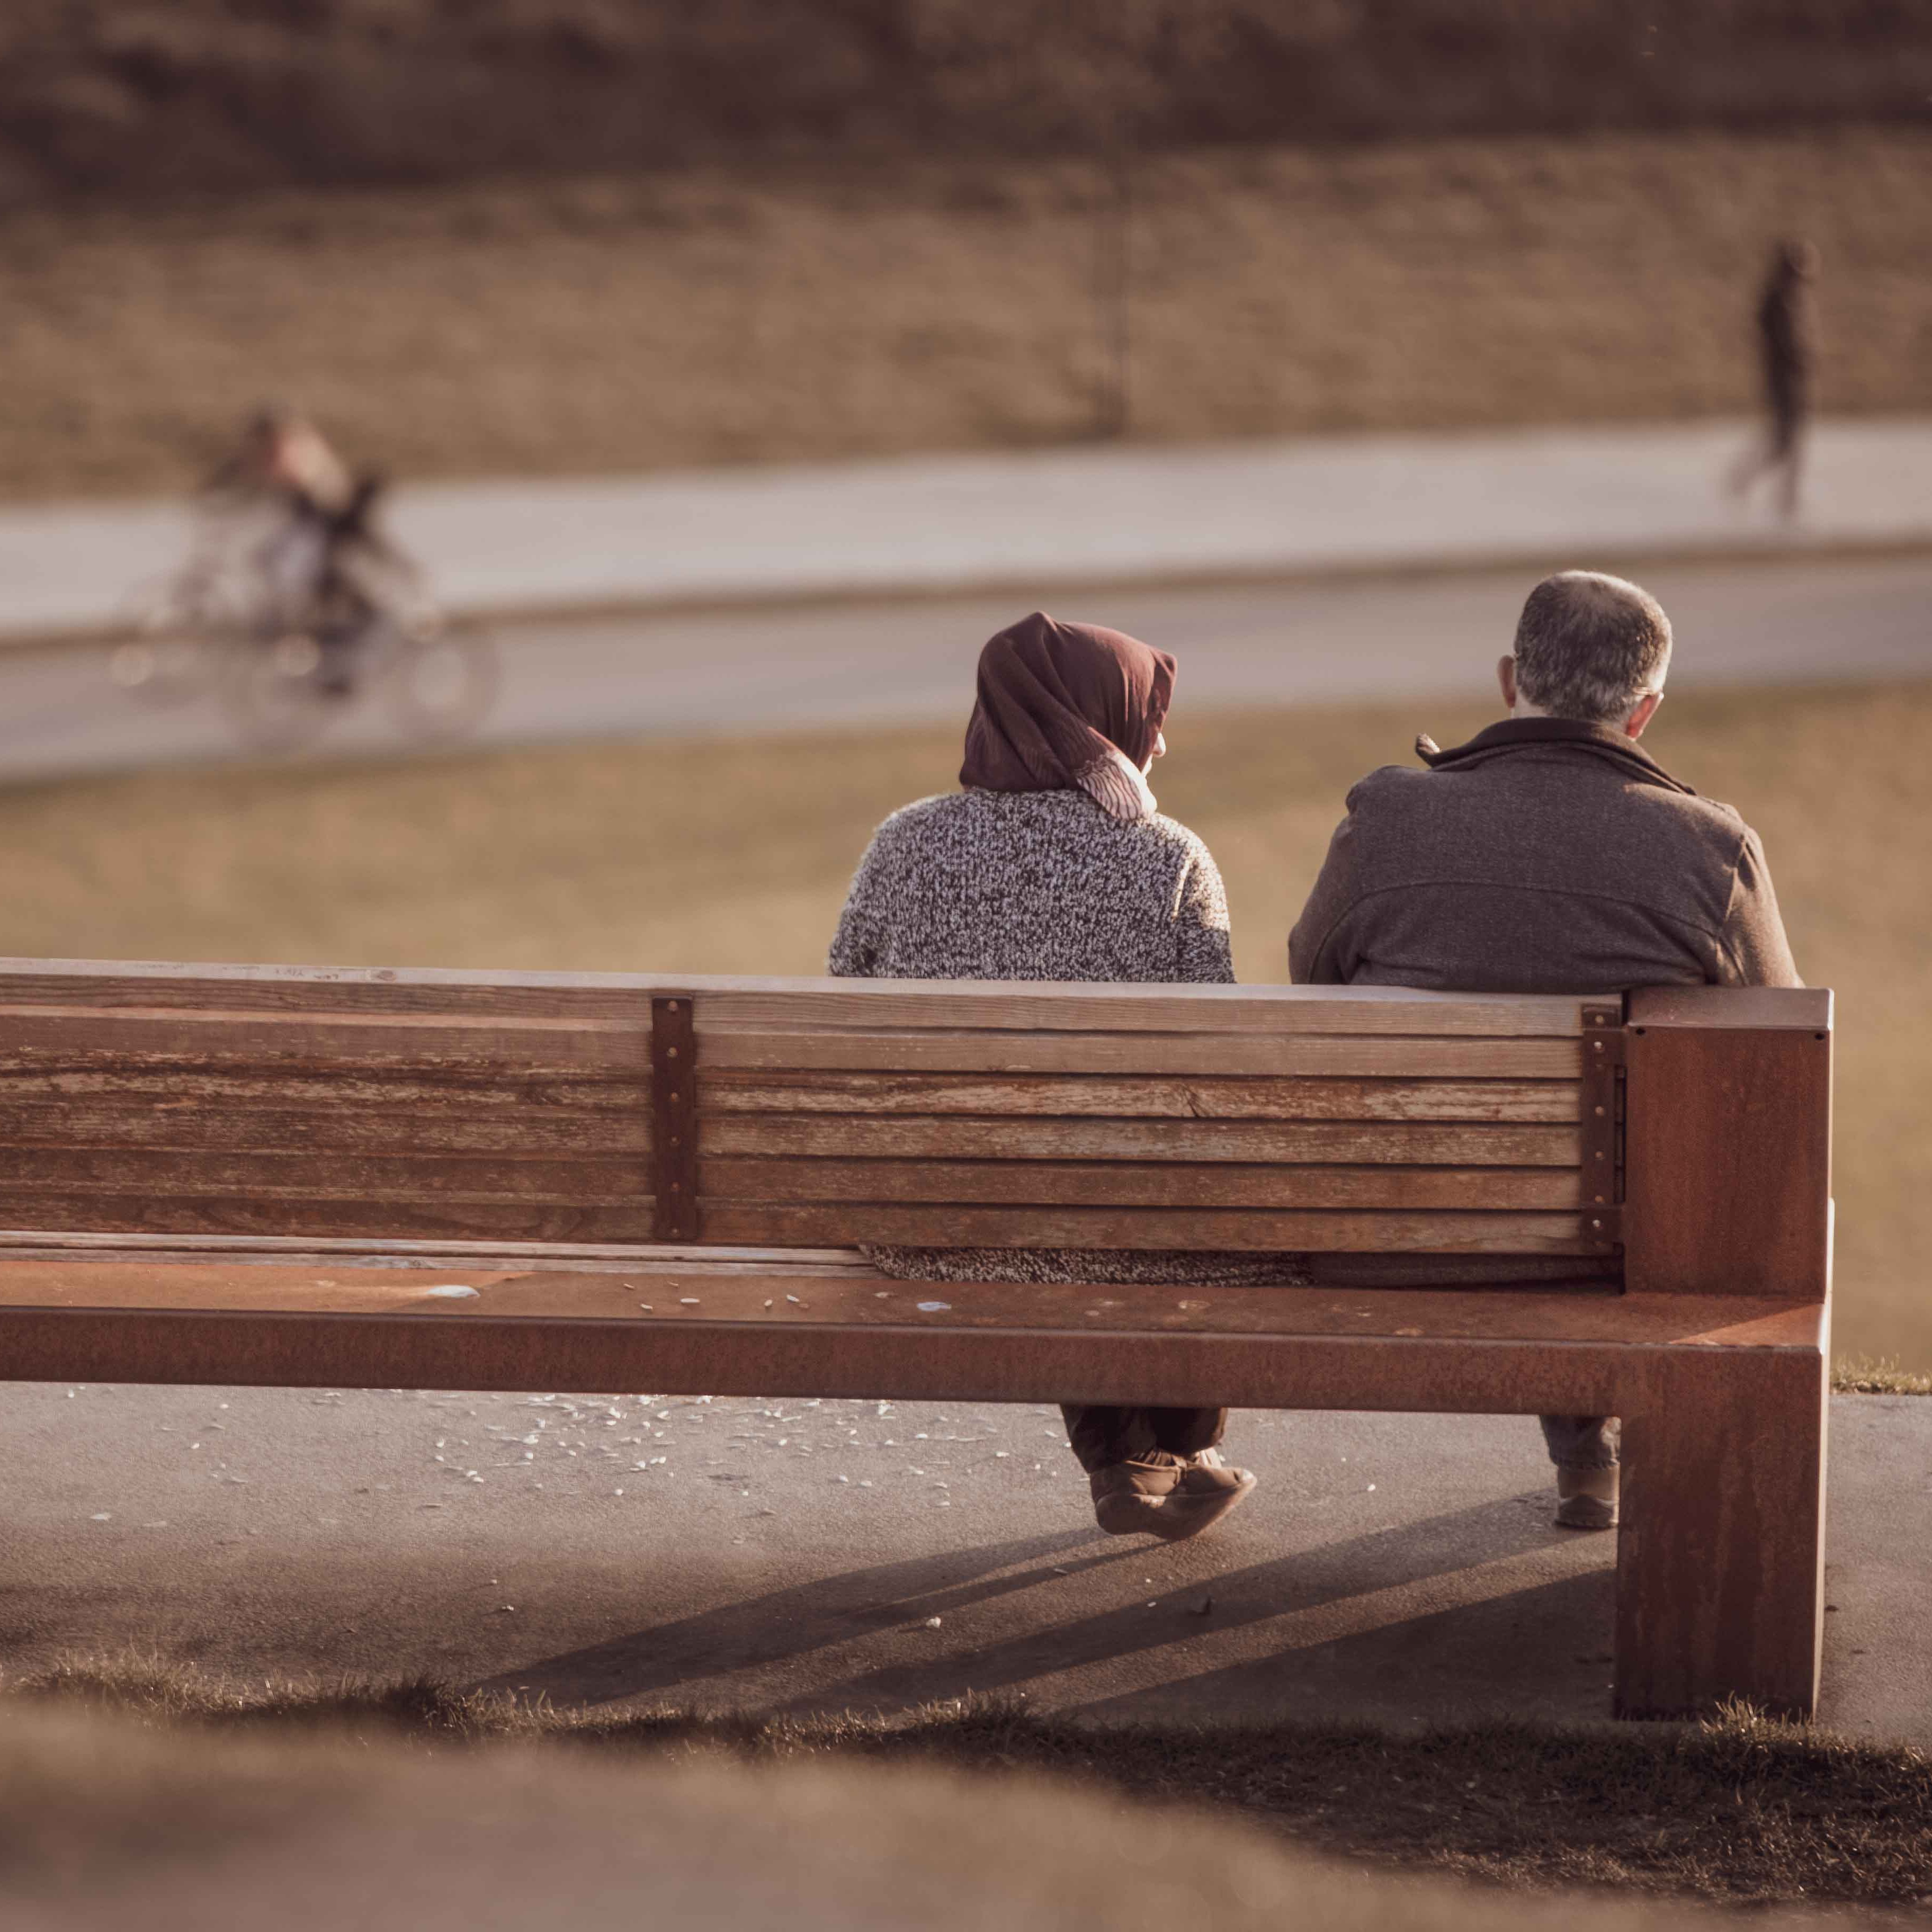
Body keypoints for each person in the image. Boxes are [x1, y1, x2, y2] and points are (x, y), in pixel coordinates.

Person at [1289, 570, 1800, 1531]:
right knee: (1629, 1156)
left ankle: (1586, 1449)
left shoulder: (1387, 820)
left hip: (1394, 1240)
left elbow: (1311, 981)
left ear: (1508, 678)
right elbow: (1774, 1062)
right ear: (1644, 712)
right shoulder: (1709, 852)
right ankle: (1592, 1450)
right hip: (1616, 1262)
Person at [829, 610, 1301, 1542]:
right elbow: (1213, 1066)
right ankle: (1170, 1444)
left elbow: (845, 1001)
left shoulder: (903, 843)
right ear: (1093, 723)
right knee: (1149, 1202)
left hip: (925, 1226)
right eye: (1146, 718)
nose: (1158, 743)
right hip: (1117, 1216)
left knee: (1050, 1186)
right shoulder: (1168, 856)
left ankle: (1133, 1456)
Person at [1728, 239, 1818, 521]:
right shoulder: (1781, 301)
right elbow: (1789, 344)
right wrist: (1803, 357)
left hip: (1789, 378)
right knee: (1787, 440)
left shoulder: (1788, 298)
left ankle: (1782, 497)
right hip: (1785, 378)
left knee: (1787, 440)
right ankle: (1780, 498)